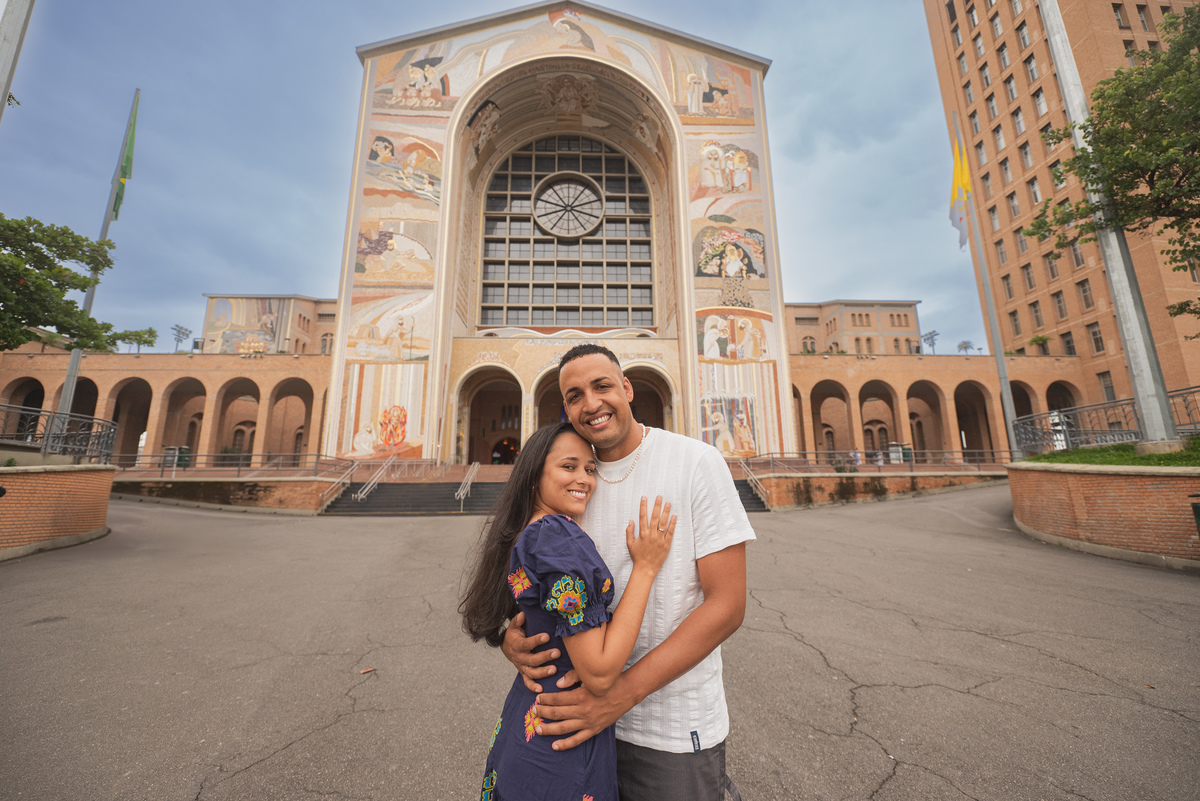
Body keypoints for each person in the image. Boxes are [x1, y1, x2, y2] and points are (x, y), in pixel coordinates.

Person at [502, 344, 755, 800]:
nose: (591, 403)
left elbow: (728, 606)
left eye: (602, 386)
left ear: (627, 388)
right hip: (578, 728)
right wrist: (515, 639)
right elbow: (541, 586)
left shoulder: (695, 463)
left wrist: (619, 696)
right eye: (574, 396)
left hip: (669, 730)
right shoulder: (573, 482)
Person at [461, 422, 677, 801]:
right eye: (569, 466)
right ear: (534, 477)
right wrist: (645, 568)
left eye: (590, 469)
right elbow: (599, 672)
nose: (584, 479)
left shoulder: (530, 532)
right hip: (562, 742)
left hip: (529, 721)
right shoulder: (559, 539)